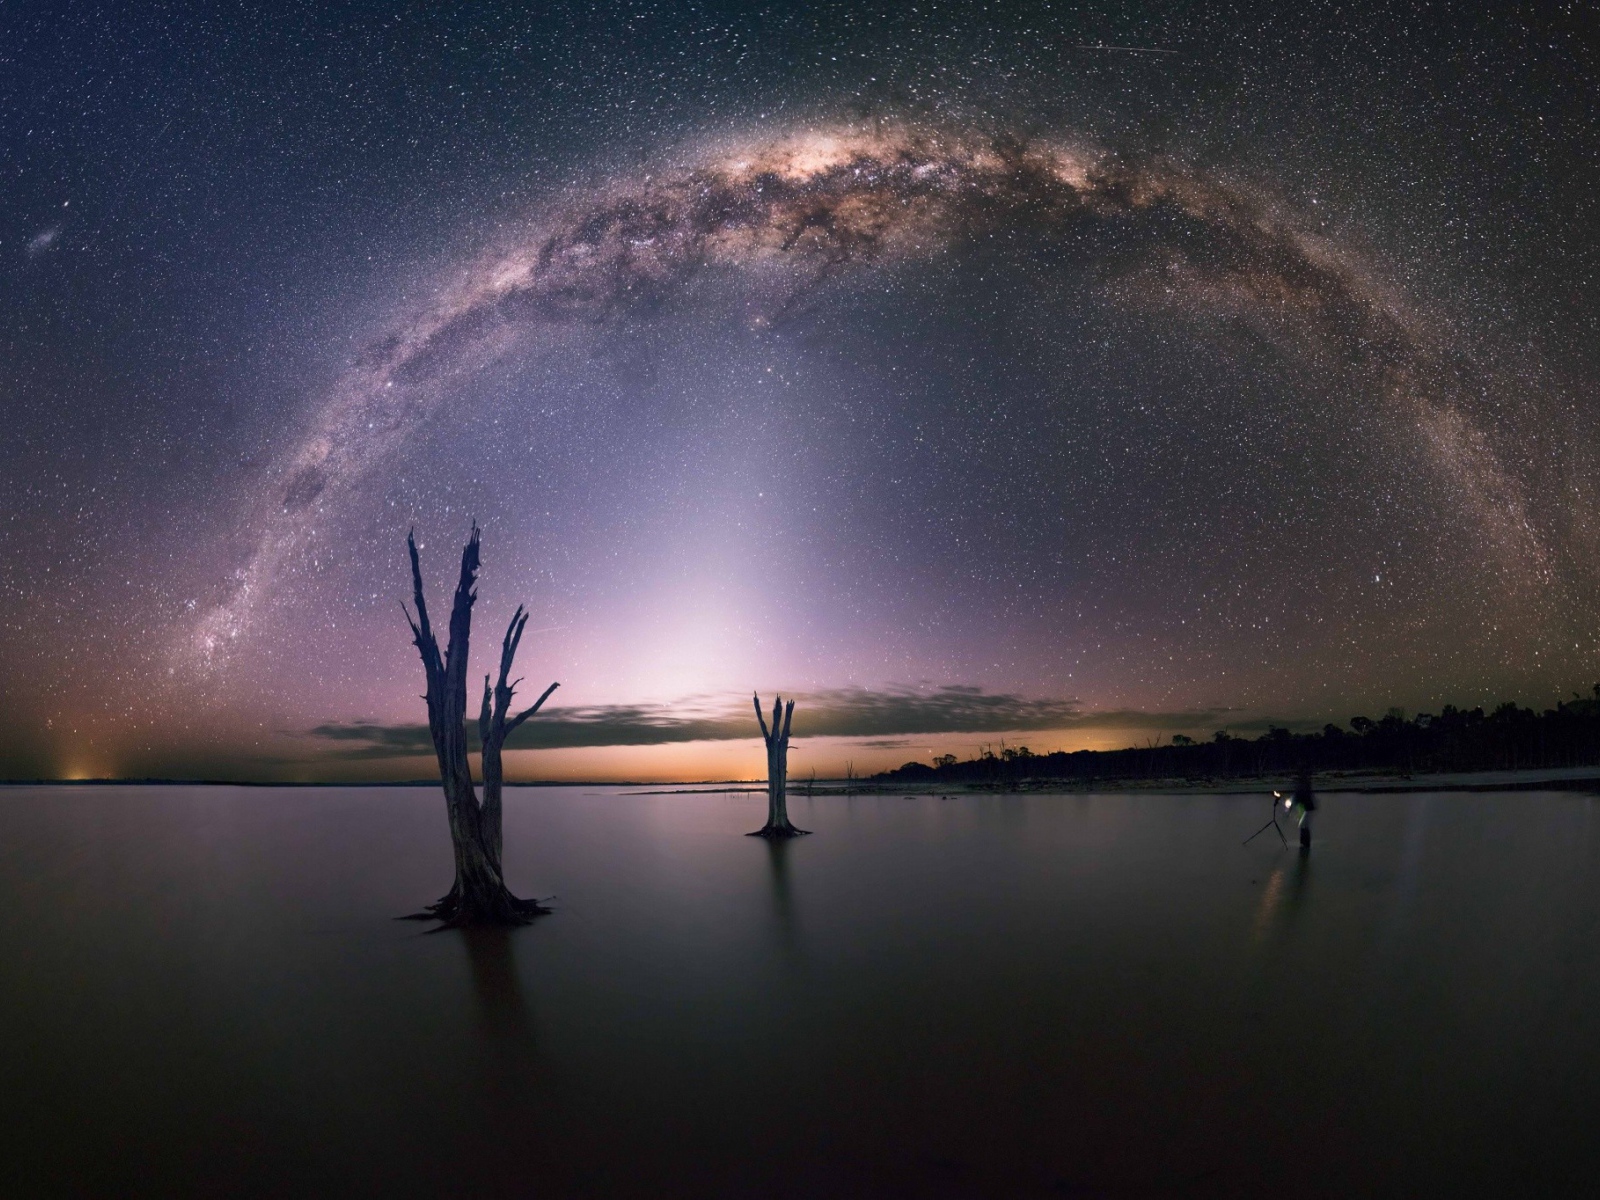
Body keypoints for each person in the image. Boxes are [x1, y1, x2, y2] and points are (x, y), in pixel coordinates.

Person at [1291, 767, 1317, 849]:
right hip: (1304, 806)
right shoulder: (1305, 783)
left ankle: (1305, 844)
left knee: (1304, 825)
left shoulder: (1303, 784)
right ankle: (1304, 843)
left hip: (1305, 807)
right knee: (1303, 825)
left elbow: (1299, 795)